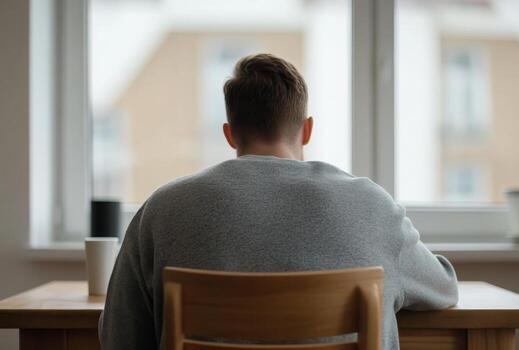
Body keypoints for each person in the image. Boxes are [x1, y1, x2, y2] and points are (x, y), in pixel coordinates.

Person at [100, 54, 458, 350]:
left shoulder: (161, 210)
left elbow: (118, 335)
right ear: (306, 129)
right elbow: (443, 287)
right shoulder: (373, 206)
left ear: (229, 133)